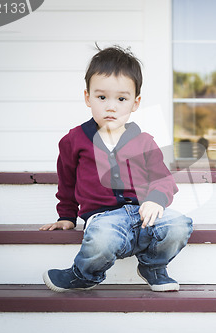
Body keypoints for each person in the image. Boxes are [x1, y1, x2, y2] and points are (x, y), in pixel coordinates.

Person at [39, 46, 193, 292]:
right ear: (88, 97)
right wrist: (66, 216)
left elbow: (163, 179)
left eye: (121, 99)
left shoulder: (144, 141)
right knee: (102, 238)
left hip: (144, 215)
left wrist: (154, 200)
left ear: (135, 102)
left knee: (180, 224)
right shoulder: (75, 140)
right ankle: (85, 274)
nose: (111, 107)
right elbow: (67, 182)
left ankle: (153, 266)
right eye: (102, 97)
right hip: (104, 219)